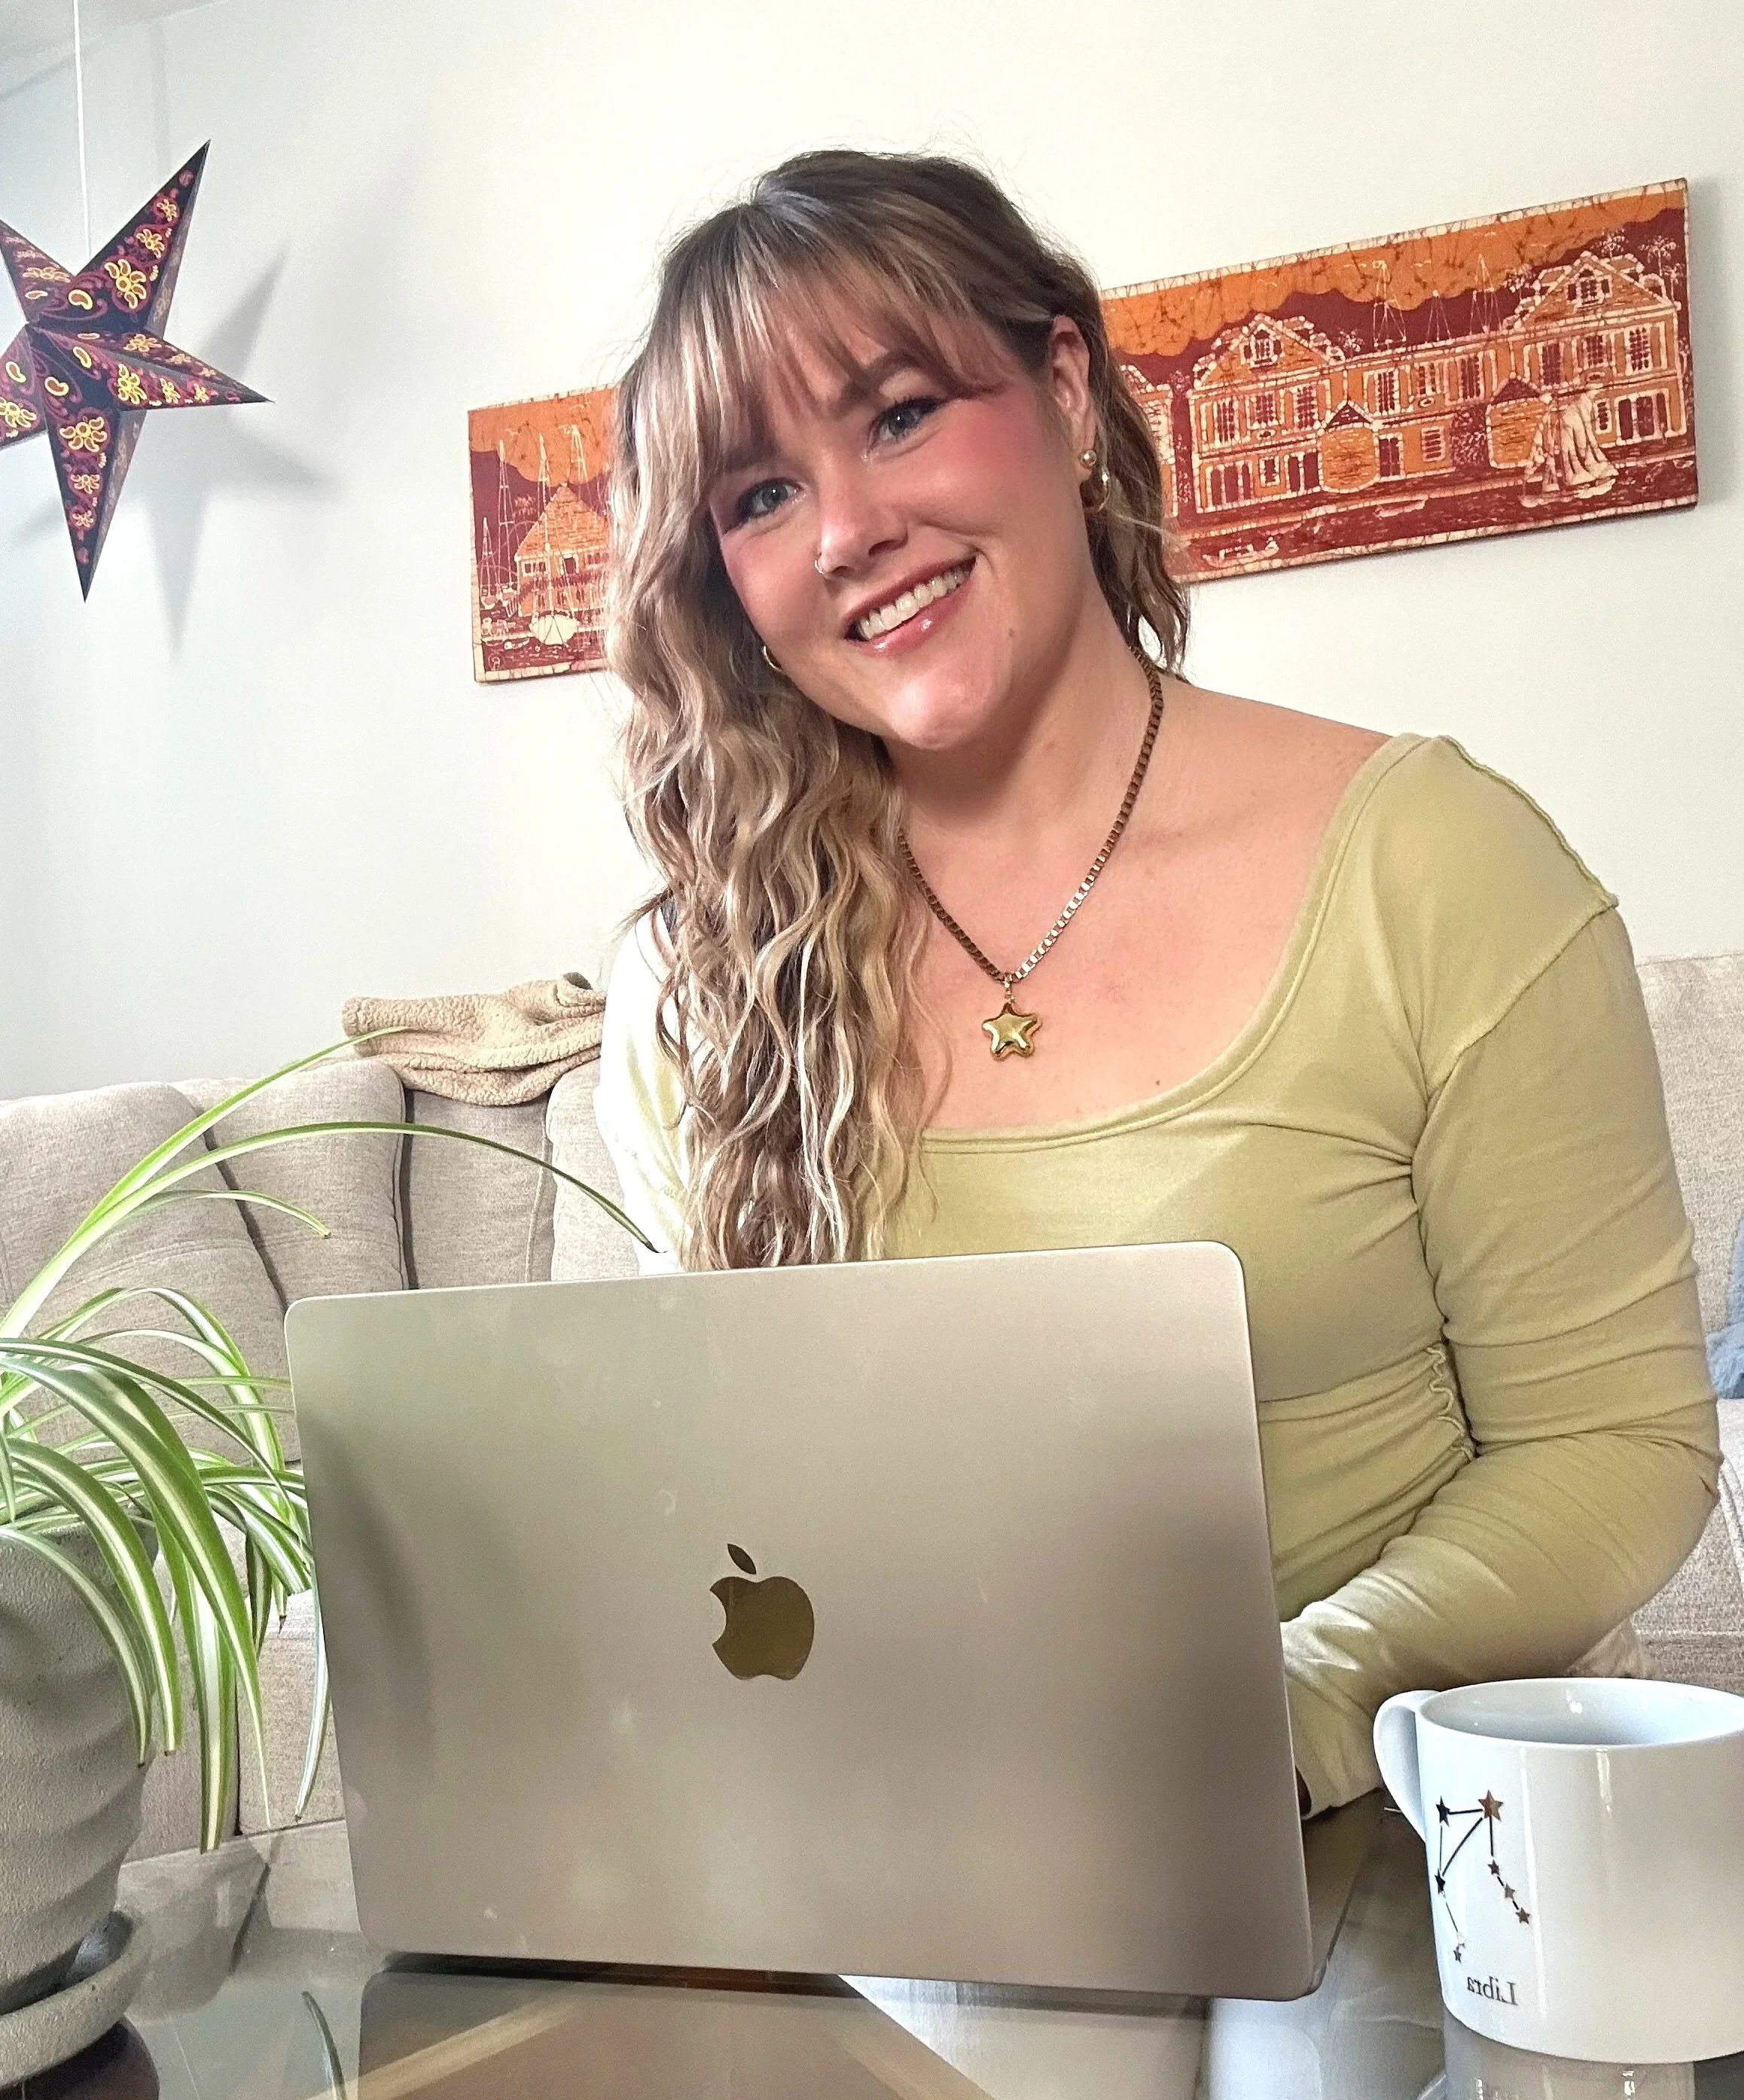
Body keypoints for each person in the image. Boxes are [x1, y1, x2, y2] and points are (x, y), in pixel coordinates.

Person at [593, 148, 1718, 1821]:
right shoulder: (698, 988)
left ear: (1063, 385)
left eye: (899, 412)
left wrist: (1299, 1695)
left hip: (1393, 1863)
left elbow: (1623, 1449)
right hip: (912, 1877)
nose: (847, 531)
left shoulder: (1442, 867)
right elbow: (715, 1534)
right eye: (758, 496)